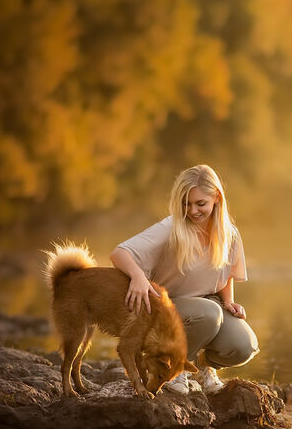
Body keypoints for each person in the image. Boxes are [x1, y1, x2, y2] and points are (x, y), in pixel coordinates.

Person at [110, 165, 259, 394]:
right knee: (210, 313)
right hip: (166, 310)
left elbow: (226, 273)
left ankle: (201, 368)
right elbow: (120, 252)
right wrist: (138, 276)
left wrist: (228, 301)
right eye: (186, 204)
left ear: (216, 197)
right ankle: (175, 370)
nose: (193, 211)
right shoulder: (171, 227)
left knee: (242, 346)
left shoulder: (230, 234)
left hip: (209, 307)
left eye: (201, 203)